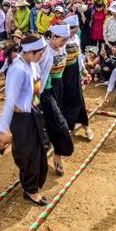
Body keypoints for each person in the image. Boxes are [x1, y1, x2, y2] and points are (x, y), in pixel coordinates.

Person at [0, 34, 50, 206]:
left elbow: (35, 91)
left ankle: (13, 141)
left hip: (34, 112)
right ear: (31, 52)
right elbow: (10, 100)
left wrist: (38, 109)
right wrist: (2, 129)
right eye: (40, 52)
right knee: (29, 156)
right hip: (21, 118)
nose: (43, 56)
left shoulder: (33, 65)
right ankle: (30, 190)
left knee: (40, 149)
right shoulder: (18, 69)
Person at [38, 24, 74, 176]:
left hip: (58, 86)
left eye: (66, 40)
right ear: (52, 37)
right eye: (62, 40)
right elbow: (34, 72)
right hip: (46, 90)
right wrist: (36, 94)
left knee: (52, 120)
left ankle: (55, 152)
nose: (64, 43)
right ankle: (59, 153)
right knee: (60, 124)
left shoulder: (61, 47)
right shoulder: (43, 50)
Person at [62, 15, 93, 140]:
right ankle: (66, 127)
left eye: (75, 31)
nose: (72, 33)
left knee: (79, 98)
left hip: (74, 71)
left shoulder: (76, 38)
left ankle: (85, 125)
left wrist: (83, 69)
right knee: (63, 99)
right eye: (71, 30)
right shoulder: (61, 39)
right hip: (62, 72)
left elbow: (79, 55)